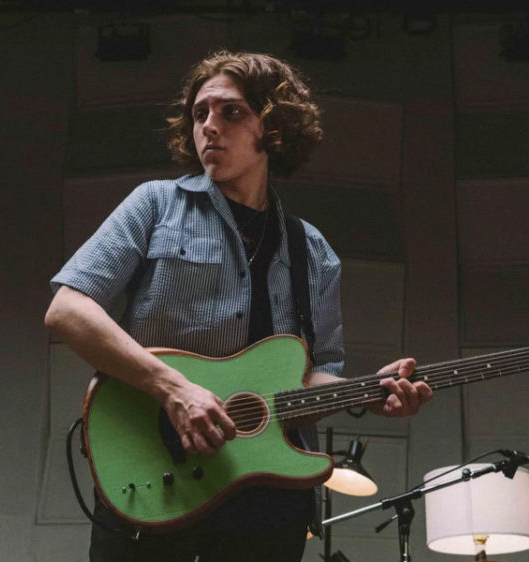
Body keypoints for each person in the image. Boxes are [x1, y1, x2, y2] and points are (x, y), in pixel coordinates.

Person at [45, 51, 433, 562]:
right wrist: (173, 388)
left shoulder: (312, 251)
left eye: (230, 112)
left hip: (268, 496)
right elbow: (67, 309)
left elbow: (314, 375)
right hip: (157, 467)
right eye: (199, 113)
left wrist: (368, 392)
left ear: (273, 127)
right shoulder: (155, 204)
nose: (208, 126)